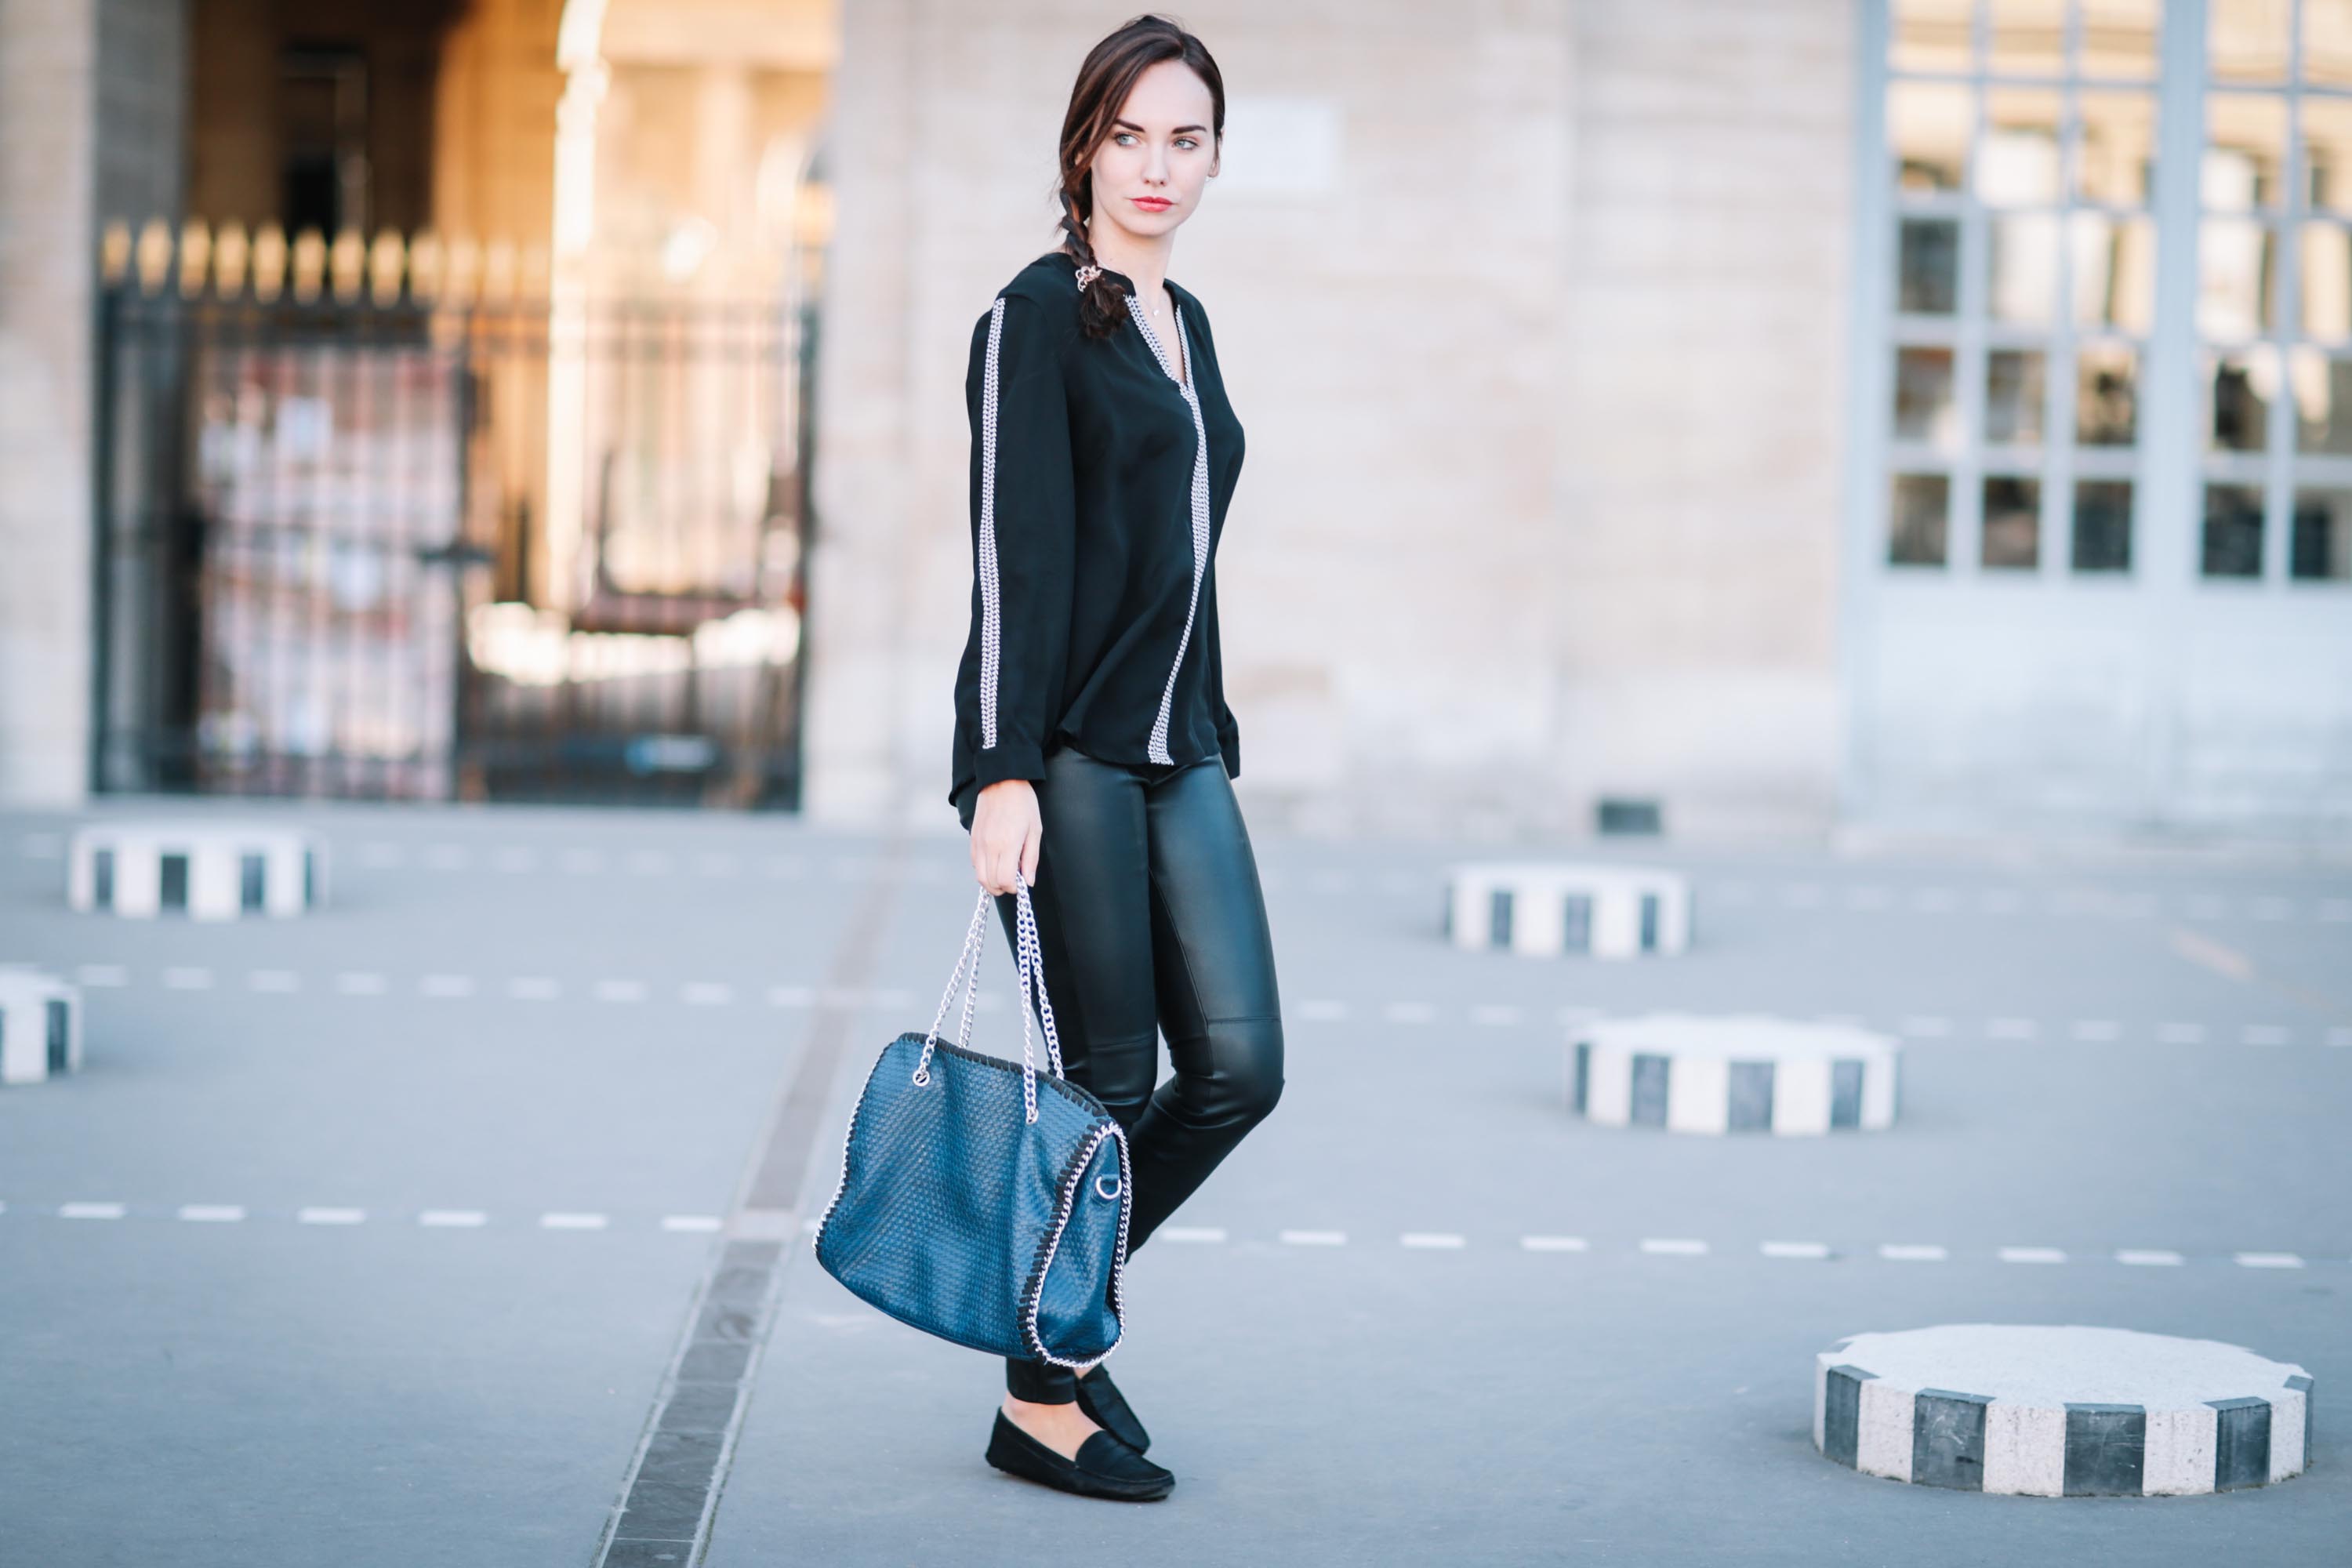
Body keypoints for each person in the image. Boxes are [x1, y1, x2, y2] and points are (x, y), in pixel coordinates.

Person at [947, 14, 1284, 1504]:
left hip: (1181, 751)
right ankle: (1042, 1392)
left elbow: (1189, 562)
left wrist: (1209, 723)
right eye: (1132, 135)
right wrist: (999, 768)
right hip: (1071, 754)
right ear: (1084, 143)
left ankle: (1050, 1332)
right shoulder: (1035, 316)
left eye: (1189, 139)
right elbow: (1010, 558)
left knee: (1239, 1073)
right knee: (1106, 1078)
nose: (1159, 166)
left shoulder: (1186, 322)